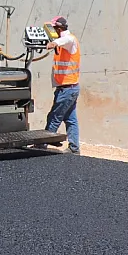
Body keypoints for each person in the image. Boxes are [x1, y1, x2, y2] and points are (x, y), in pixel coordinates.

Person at [44, 16, 81, 154]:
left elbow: (66, 39)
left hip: (68, 89)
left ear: (59, 29)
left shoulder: (69, 40)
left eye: (54, 29)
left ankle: (41, 145)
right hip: (68, 88)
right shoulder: (63, 43)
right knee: (70, 118)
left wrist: (54, 43)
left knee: (54, 117)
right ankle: (74, 148)